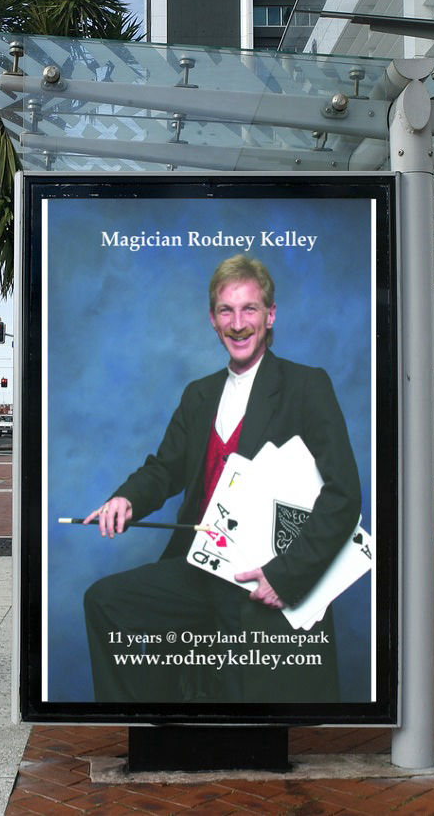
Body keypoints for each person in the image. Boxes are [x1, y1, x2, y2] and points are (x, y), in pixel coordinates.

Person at [81, 254, 361, 703]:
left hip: (261, 577)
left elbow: (344, 495)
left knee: (242, 701)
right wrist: (127, 500)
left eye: (249, 309)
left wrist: (287, 576)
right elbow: (165, 468)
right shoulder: (199, 395)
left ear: (270, 316)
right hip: (200, 568)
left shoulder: (307, 387)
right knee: (105, 603)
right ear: (212, 320)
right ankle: (156, 725)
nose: (238, 323)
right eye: (226, 311)